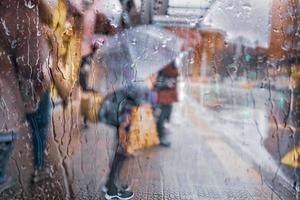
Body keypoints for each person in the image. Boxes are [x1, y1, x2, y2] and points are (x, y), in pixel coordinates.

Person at [98, 82, 153, 200]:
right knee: (120, 155)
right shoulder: (136, 88)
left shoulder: (132, 85)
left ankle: (110, 184)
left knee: (120, 156)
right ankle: (111, 191)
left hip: (122, 124)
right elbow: (126, 117)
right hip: (123, 127)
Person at [153, 62, 179, 147]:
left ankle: (161, 134)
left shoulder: (171, 64)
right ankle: (161, 137)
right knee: (161, 117)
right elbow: (157, 84)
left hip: (169, 96)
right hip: (163, 97)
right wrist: (166, 84)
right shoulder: (163, 66)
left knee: (166, 116)